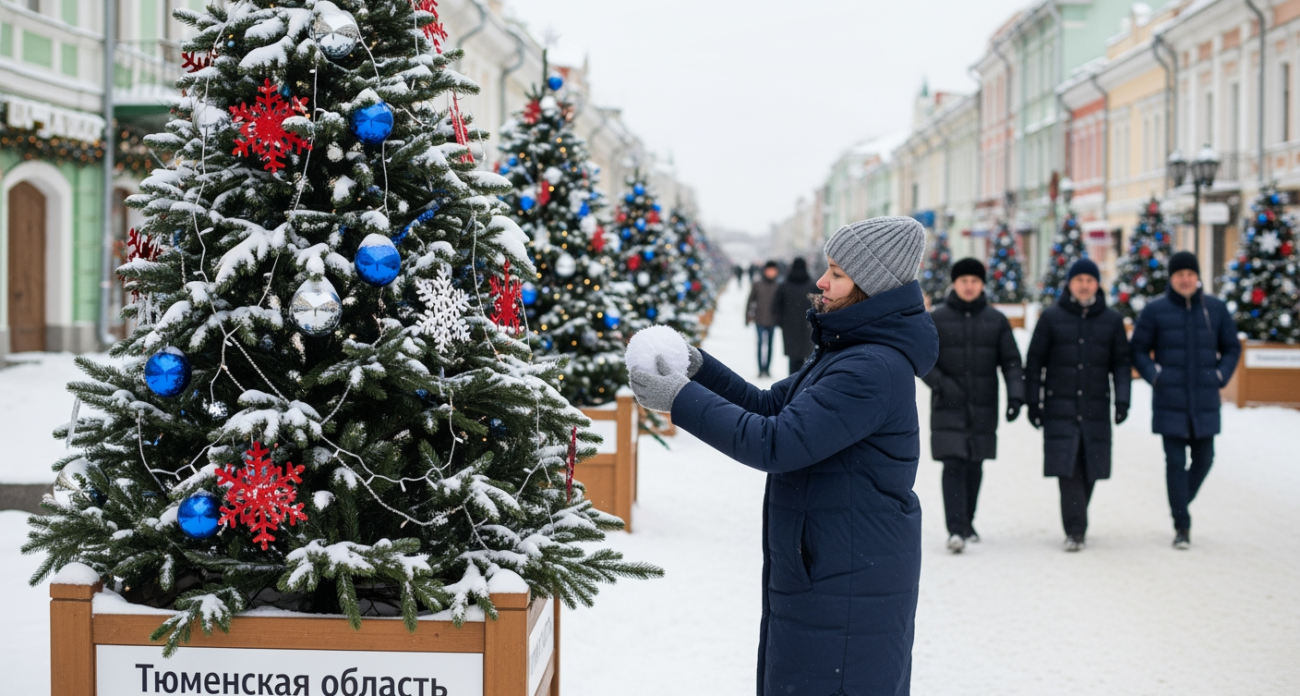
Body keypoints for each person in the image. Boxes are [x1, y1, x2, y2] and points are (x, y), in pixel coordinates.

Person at [627, 217, 937, 696]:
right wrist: (699, 368)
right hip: (833, 565)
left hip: (847, 580)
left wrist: (680, 398)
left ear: (870, 286)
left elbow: (776, 442)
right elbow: (773, 405)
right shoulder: (851, 351)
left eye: (837, 272)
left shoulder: (870, 367)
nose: (822, 281)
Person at [1129, 251, 1240, 550]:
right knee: (1175, 462)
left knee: (1205, 460)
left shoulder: (1214, 310)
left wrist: (1220, 376)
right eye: (1180, 275)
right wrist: (1155, 375)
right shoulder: (1155, 311)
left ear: (1197, 276)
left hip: (1205, 400)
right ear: (1171, 278)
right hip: (1170, 400)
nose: (1186, 279)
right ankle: (1182, 525)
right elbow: (1138, 349)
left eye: (1190, 274)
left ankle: (1178, 504)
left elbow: (1232, 347)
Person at [1025, 258, 1131, 552]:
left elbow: (1121, 364)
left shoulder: (1111, 320)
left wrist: (1123, 399)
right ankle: (1075, 529)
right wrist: (1033, 402)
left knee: (1090, 467)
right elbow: (1034, 363)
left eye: (1090, 280)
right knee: (1067, 468)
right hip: (1060, 407)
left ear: (1097, 285)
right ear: (1069, 284)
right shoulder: (1051, 317)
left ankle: (1077, 519)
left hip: (1096, 408)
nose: (1084, 285)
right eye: (1079, 280)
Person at [922, 258, 1024, 553]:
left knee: (975, 463)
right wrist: (942, 385)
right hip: (948, 403)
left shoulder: (995, 320)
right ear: (954, 284)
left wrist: (1016, 394)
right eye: (964, 280)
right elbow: (923, 359)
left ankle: (968, 521)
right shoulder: (937, 318)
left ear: (982, 285)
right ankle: (955, 528)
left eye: (975, 281)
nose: (969, 286)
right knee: (953, 462)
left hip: (983, 403)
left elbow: (1011, 361)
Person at [773, 257, 819, 374]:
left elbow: (777, 306)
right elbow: (819, 306)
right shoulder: (812, 285)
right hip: (808, 327)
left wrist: (781, 322)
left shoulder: (785, 285)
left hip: (790, 327)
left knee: (793, 362)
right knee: (809, 360)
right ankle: (806, 385)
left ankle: (792, 386)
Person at [746, 261, 781, 377]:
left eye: (773, 270)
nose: (771, 273)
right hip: (759, 319)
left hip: (772, 320)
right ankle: (761, 369)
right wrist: (747, 316)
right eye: (769, 270)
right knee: (761, 344)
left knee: (770, 345)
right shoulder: (758, 284)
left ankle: (767, 369)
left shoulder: (778, 285)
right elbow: (750, 300)